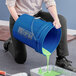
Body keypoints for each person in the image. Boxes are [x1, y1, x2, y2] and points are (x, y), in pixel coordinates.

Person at [4, 0, 76, 72]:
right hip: (19, 17)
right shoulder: (18, 19)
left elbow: (50, 3)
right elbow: (10, 6)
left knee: (61, 20)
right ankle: (9, 43)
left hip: (36, 15)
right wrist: (21, 23)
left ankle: (61, 59)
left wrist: (56, 19)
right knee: (20, 59)